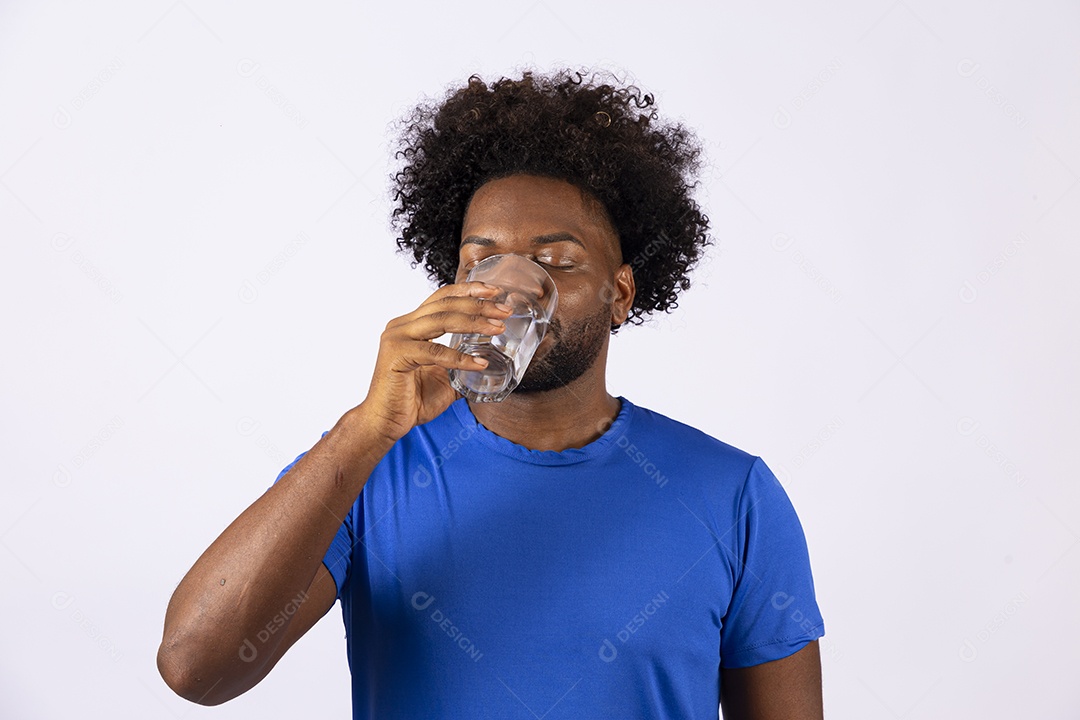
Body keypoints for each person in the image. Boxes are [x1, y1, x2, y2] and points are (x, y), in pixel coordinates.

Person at [157, 68, 826, 719]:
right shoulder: (368, 466)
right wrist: (367, 427)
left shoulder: (733, 496)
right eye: (482, 261)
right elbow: (196, 668)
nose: (509, 291)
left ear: (619, 293)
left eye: (557, 261)